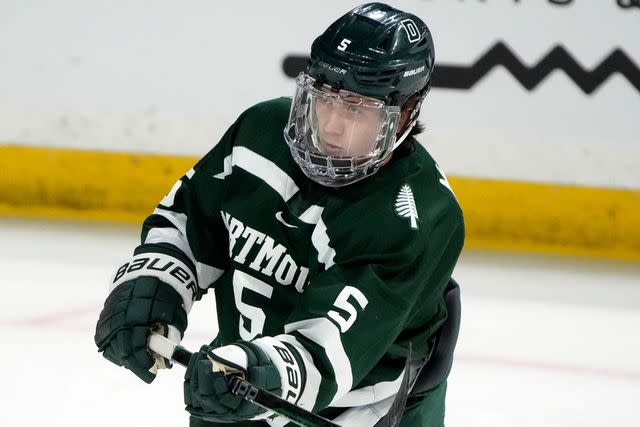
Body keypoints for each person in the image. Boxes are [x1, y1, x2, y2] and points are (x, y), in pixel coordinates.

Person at [94, 3, 464, 426]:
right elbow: (189, 225)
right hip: (242, 383)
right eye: (324, 99)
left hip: (360, 410)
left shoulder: (416, 216)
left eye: (357, 109)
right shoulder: (260, 132)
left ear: (403, 116)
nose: (332, 127)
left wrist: (261, 374)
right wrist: (153, 285)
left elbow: (328, 349)